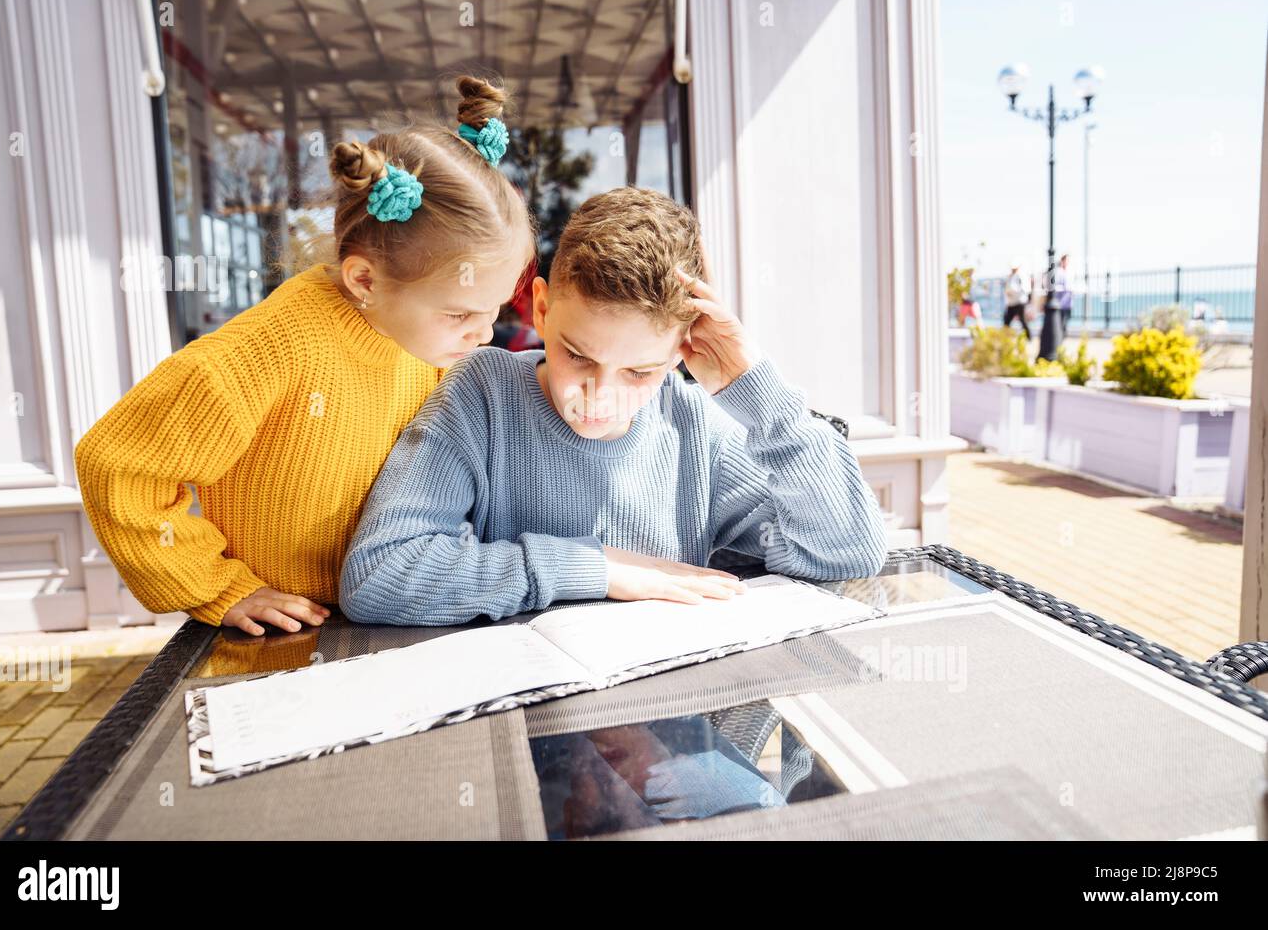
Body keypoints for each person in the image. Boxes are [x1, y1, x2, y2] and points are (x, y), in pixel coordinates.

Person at [74, 76, 535, 635]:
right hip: (290, 632)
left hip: (398, 609)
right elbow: (117, 463)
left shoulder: (427, 339)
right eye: (462, 313)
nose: (483, 334)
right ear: (364, 278)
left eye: (494, 311)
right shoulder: (269, 351)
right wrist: (216, 585)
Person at [338, 187, 888, 626]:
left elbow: (846, 554)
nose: (599, 396)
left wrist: (761, 396)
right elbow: (378, 575)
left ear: (683, 348)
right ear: (543, 311)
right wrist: (594, 569)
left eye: (639, 372)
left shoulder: (693, 429)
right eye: (577, 355)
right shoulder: (482, 395)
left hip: (667, 730)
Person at [1038, 252, 1072, 361]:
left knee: (1064, 327)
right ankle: (1057, 349)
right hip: (1059, 305)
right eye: (1066, 260)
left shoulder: (1068, 273)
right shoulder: (1058, 273)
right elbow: (1053, 287)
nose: (1067, 262)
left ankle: (1059, 348)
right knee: (1060, 327)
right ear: (1062, 261)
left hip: (1067, 304)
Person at [1002, 264, 1031, 338]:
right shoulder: (1009, 277)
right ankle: (1004, 337)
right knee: (1007, 321)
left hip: (1019, 302)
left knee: (1022, 321)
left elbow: (1024, 289)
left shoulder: (1020, 276)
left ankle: (1029, 337)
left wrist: (1012, 291)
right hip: (1011, 303)